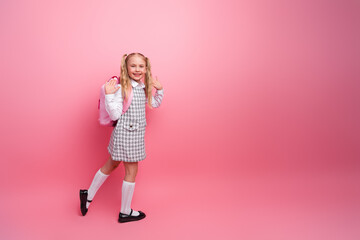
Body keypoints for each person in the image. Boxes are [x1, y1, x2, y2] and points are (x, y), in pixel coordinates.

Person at [80, 53, 164, 223]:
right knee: (131, 170)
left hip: (136, 134)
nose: (137, 69)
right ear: (126, 67)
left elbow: (154, 104)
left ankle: (87, 194)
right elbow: (116, 114)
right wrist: (110, 95)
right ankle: (125, 212)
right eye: (133, 66)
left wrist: (159, 90)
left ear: (146, 68)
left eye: (141, 66)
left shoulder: (142, 87)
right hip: (126, 134)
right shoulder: (123, 88)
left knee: (112, 164)